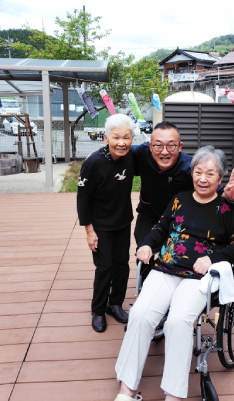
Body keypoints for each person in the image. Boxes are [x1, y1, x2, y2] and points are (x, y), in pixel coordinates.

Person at [114, 146, 234, 401]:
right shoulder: (180, 199)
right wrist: (147, 244)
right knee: (140, 314)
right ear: (192, 173)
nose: (203, 178)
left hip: (198, 277)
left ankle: (174, 395)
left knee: (177, 322)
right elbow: (160, 229)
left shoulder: (226, 208)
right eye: (198, 172)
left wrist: (211, 259)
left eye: (210, 173)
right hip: (165, 269)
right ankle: (127, 389)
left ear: (220, 178)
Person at [132, 122, 234, 270]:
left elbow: (215, 190)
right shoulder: (141, 153)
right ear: (150, 146)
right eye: (158, 145)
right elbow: (120, 147)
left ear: (180, 146)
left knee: (179, 253)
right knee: (144, 252)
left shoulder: (191, 168)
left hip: (181, 218)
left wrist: (229, 197)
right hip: (149, 214)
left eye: (171, 146)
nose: (164, 152)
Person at [77, 114, 135, 333]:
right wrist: (89, 231)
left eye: (126, 137)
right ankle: (98, 310)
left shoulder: (131, 156)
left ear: (132, 139)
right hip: (100, 223)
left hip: (122, 220)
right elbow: (82, 199)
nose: (121, 142)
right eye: (116, 137)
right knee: (105, 267)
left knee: (122, 264)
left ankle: (115, 304)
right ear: (106, 138)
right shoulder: (93, 163)